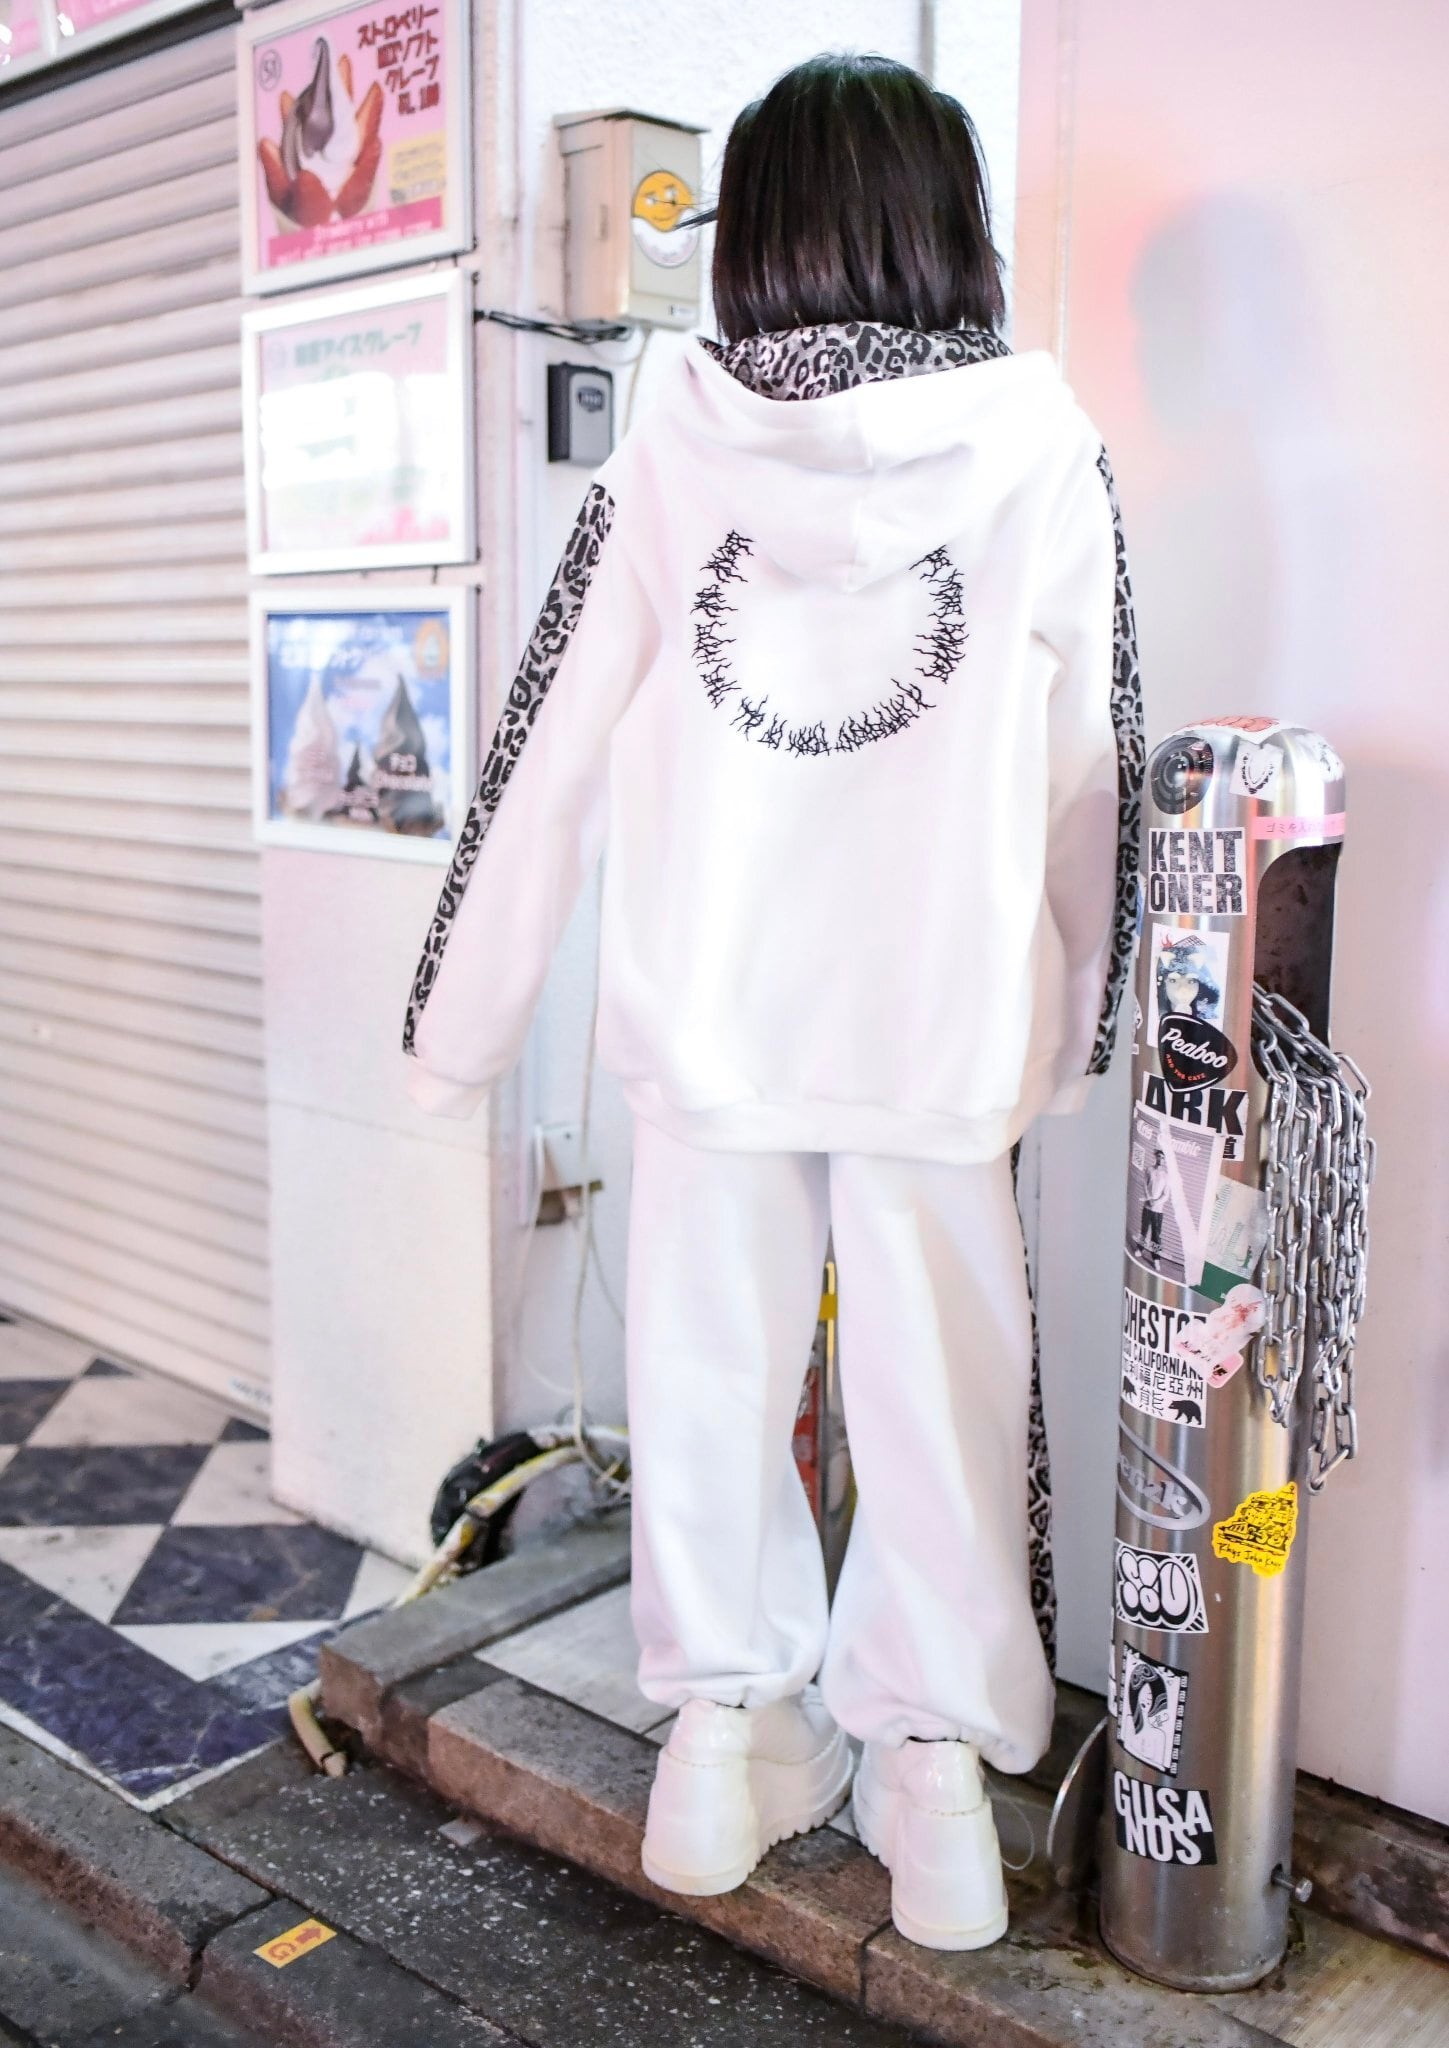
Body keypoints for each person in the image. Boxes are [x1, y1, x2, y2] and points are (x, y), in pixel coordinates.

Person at [401, 52, 1143, 1952]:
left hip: (711, 1025)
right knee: (940, 1391)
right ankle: (930, 1781)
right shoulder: (1042, 449)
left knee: (709, 1371)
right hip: (936, 1030)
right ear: (949, 226)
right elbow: (1096, 775)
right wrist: (1075, 1031)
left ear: (757, 238)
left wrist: (453, 1033)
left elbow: (541, 756)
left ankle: (721, 1750)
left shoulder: (669, 447)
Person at [1141, 1148, 1170, 1263]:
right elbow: (1145, 1184)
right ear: (1156, 1157)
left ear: (1165, 1160)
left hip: (1158, 1210)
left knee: (1156, 1235)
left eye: (1163, 1157)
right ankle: (1140, 1248)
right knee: (1144, 1229)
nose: (1160, 1159)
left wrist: (1155, 1202)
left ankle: (1156, 1259)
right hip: (1147, 1207)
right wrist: (1149, 1198)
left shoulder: (1167, 1176)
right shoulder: (1149, 1170)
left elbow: (1166, 1195)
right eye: (1159, 1156)